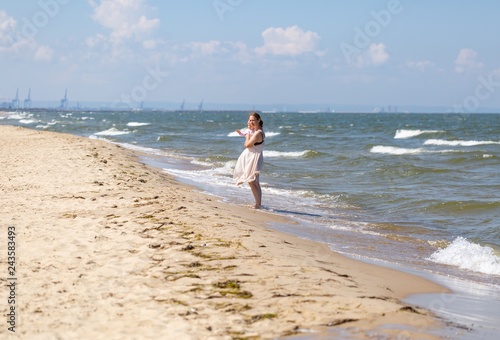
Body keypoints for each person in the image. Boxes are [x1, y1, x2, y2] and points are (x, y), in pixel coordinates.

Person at [233, 112, 265, 209]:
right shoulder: (257, 131)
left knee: (252, 181)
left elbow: (247, 145)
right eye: (250, 120)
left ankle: (257, 204)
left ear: (258, 120)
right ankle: (258, 203)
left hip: (254, 157)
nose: (251, 122)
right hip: (252, 156)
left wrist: (247, 136)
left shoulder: (258, 133)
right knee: (254, 181)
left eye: (253, 120)